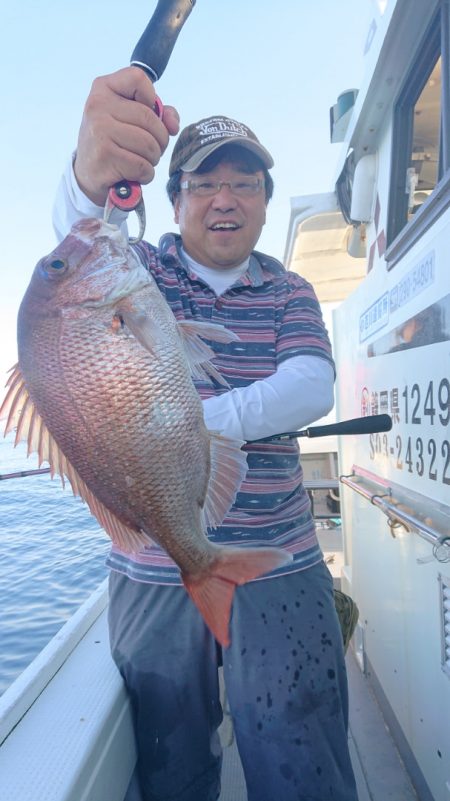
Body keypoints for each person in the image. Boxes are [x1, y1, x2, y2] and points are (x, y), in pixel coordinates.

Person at [53, 67, 358, 801]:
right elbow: (77, 239)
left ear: (263, 203)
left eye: (245, 184)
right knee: (171, 766)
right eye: (203, 182)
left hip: (276, 560)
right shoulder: (141, 272)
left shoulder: (288, 288)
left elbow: (310, 384)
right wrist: (88, 171)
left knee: (303, 755)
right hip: (155, 569)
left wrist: (190, 426)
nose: (225, 199)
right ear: (175, 198)